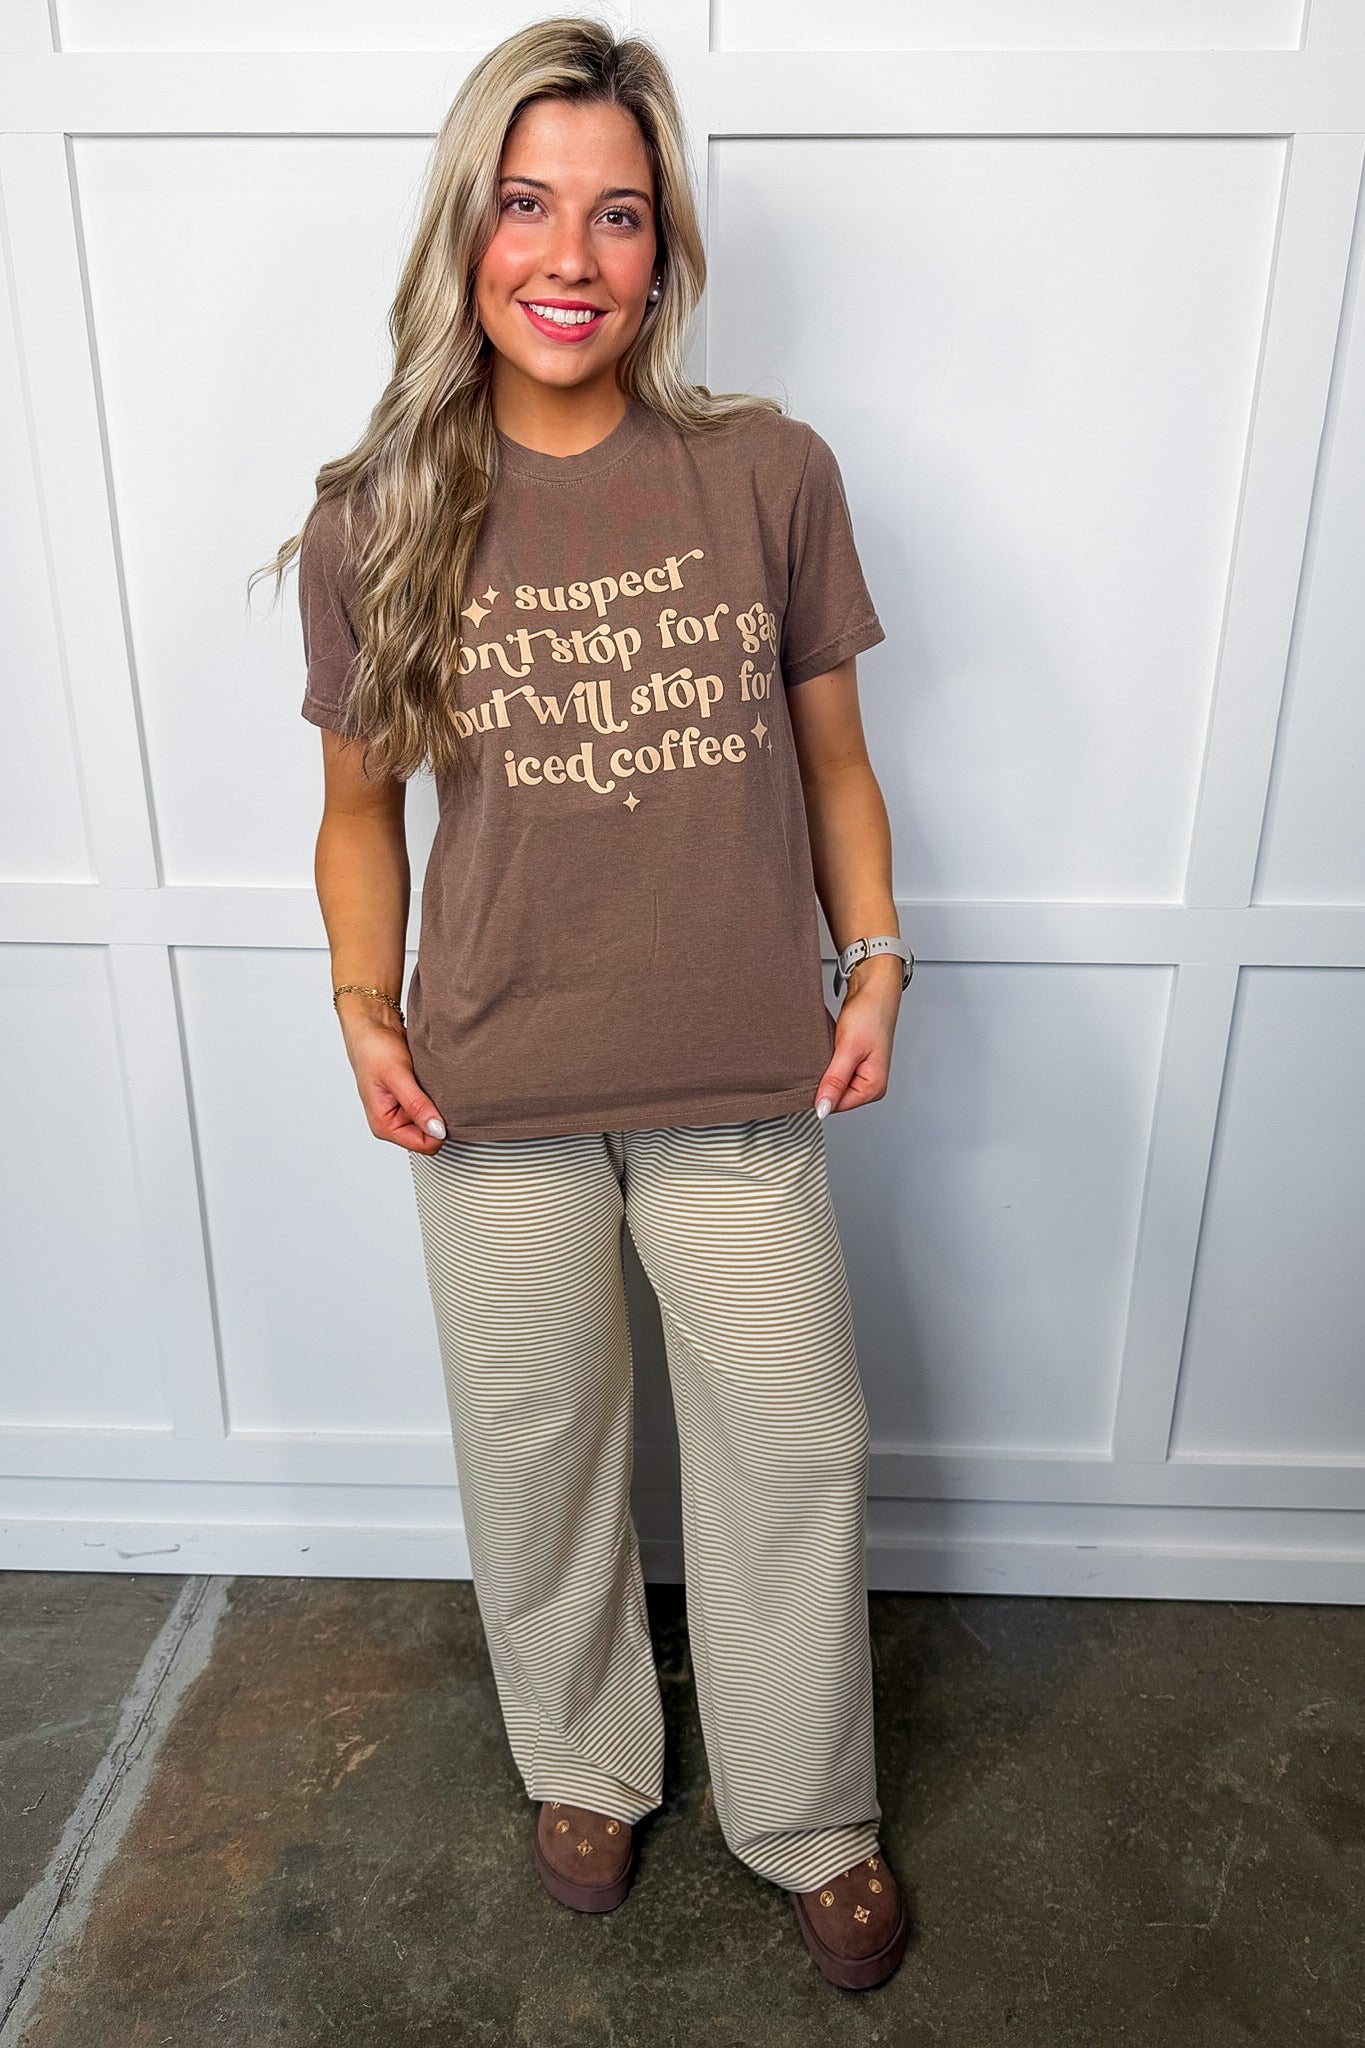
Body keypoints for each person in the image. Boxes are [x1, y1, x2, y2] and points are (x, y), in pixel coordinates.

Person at [255, 14, 913, 1994]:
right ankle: (583, 1759)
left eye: (616, 214)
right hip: (494, 1075)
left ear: (662, 245)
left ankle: (806, 1808)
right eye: (526, 205)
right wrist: (362, 1004)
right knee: (534, 1443)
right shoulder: (379, 511)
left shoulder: (765, 471)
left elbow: (836, 764)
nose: (570, 255)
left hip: (736, 1067)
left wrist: (875, 956)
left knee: (793, 1437)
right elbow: (356, 814)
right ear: (464, 229)